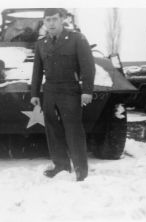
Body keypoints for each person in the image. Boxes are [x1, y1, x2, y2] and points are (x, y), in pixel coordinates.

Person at [30, 8, 95, 181]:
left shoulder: (76, 39)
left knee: (73, 130)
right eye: (47, 20)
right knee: (52, 129)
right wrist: (34, 93)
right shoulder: (41, 44)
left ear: (62, 20)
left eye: (54, 19)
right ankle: (60, 166)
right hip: (50, 90)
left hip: (70, 90)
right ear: (44, 22)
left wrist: (87, 90)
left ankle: (81, 169)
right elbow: (37, 70)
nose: (50, 23)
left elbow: (88, 67)